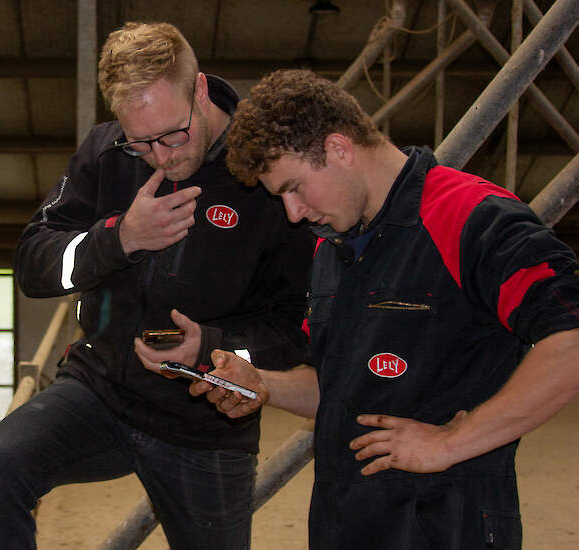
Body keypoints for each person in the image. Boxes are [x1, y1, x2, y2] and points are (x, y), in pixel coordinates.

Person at [178, 68, 579, 550]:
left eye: (294, 188)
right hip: (345, 522)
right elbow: (339, 386)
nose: (293, 213)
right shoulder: (334, 248)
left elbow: (571, 340)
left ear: (339, 148)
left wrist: (451, 442)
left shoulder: (470, 216)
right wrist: (264, 384)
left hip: (446, 525)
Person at [0, 23, 315, 549]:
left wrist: (213, 347)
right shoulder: (106, 154)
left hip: (205, 424)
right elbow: (33, 266)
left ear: (199, 90)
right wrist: (117, 239)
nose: (163, 156)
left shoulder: (265, 172)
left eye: (174, 132)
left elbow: (296, 324)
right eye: (141, 141)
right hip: (99, 390)